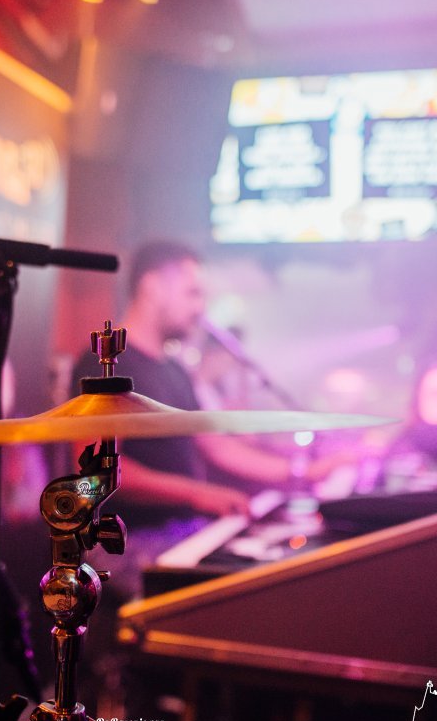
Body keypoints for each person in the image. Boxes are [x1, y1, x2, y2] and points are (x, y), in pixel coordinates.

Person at [71, 240, 337, 598]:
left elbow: (217, 448)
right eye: (192, 293)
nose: (200, 308)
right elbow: (95, 475)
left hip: (183, 530)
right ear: (152, 287)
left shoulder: (176, 371)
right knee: (254, 597)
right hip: (127, 542)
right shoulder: (107, 365)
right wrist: (197, 494)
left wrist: (300, 473)